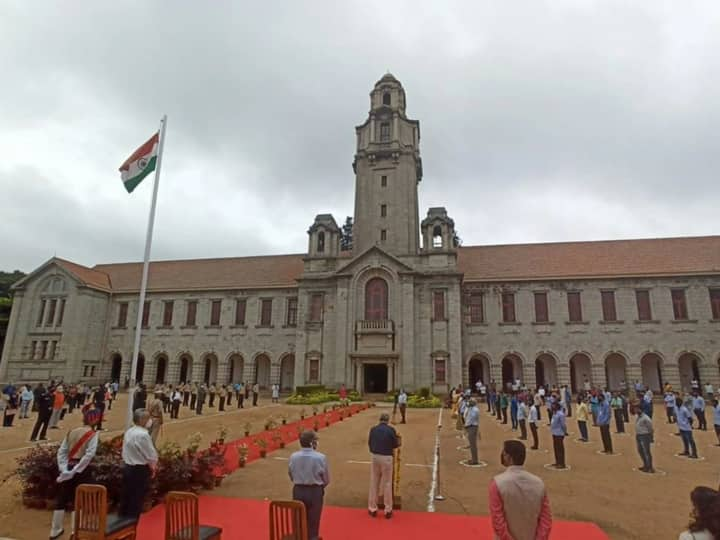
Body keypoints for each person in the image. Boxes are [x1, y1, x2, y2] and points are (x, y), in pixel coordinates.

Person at [48, 405, 101, 539]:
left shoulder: (72, 431)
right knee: (80, 499)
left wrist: (64, 469)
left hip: (69, 466)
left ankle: (55, 530)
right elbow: (89, 454)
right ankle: (74, 531)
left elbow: (62, 451)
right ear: (95, 420)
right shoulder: (93, 434)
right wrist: (77, 470)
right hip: (82, 469)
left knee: (63, 497)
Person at [488, 440, 552, 540]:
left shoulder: (497, 483)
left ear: (508, 457)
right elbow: (546, 519)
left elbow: (498, 521)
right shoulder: (539, 483)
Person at [288, 430, 330, 540]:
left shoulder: (293, 456)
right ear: (312, 443)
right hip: (314, 491)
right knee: (313, 522)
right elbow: (326, 480)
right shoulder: (320, 457)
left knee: (298, 520)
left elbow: (291, 474)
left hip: (298, 490)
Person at [119, 409, 158, 519]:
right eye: (148, 418)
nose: (150, 421)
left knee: (126, 497)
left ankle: (121, 521)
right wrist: (153, 466)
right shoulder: (143, 435)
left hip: (128, 467)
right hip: (139, 469)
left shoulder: (130, 431)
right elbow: (151, 454)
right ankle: (131, 525)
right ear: (141, 420)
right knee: (136, 499)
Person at [367, 413, 400, 518]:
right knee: (387, 483)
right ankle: (388, 510)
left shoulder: (373, 429)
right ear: (387, 420)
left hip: (375, 456)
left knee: (374, 482)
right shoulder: (391, 430)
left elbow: (370, 443)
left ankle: (372, 508)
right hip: (386, 457)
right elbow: (395, 444)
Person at [633, 400, 655, 473]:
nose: (635, 410)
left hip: (645, 435)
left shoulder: (646, 418)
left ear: (640, 409)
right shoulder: (639, 417)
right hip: (639, 435)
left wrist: (651, 437)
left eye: (636, 409)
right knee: (640, 451)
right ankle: (645, 465)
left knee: (646, 451)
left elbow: (651, 428)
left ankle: (650, 467)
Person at [550, 402, 567, 469]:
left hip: (559, 433)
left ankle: (562, 463)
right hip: (554, 433)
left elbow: (563, 424)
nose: (552, 407)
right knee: (556, 448)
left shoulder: (561, 414)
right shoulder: (554, 413)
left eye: (553, 406)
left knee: (560, 449)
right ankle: (557, 461)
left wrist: (565, 432)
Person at [463, 398, 480, 465]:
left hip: (472, 426)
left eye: (470, 402)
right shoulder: (471, 408)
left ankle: (475, 460)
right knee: (472, 444)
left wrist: (466, 425)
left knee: (473, 445)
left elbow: (471, 419)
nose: (469, 403)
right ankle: (473, 458)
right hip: (471, 426)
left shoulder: (474, 410)